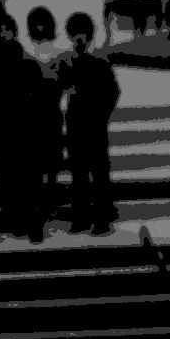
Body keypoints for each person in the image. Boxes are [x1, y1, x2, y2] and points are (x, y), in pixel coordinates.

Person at [59, 13, 121, 234]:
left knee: (98, 174)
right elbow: (63, 87)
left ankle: (101, 219)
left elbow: (112, 93)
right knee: (79, 176)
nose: (79, 39)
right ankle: (81, 218)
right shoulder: (69, 62)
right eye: (75, 34)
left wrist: (101, 114)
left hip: (93, 125)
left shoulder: (100, 64)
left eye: (81, 34)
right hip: (78, 125)